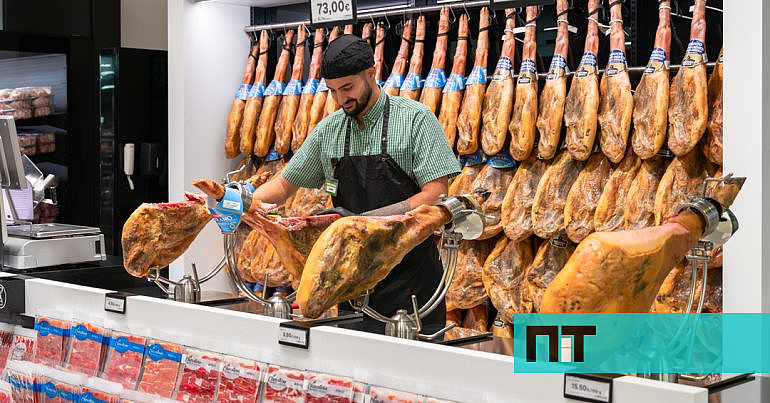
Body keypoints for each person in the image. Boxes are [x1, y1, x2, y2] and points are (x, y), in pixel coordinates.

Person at [250, 34, 460, 334]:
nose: (340, 99)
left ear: (371, 73)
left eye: (348, 87)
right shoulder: (330, 131)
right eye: (333, 91)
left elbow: (436, 194)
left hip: (410, 284)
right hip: (350, 282)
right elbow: (284, 185)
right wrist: (243, 201)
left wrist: (364, 222)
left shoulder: (415, 120)